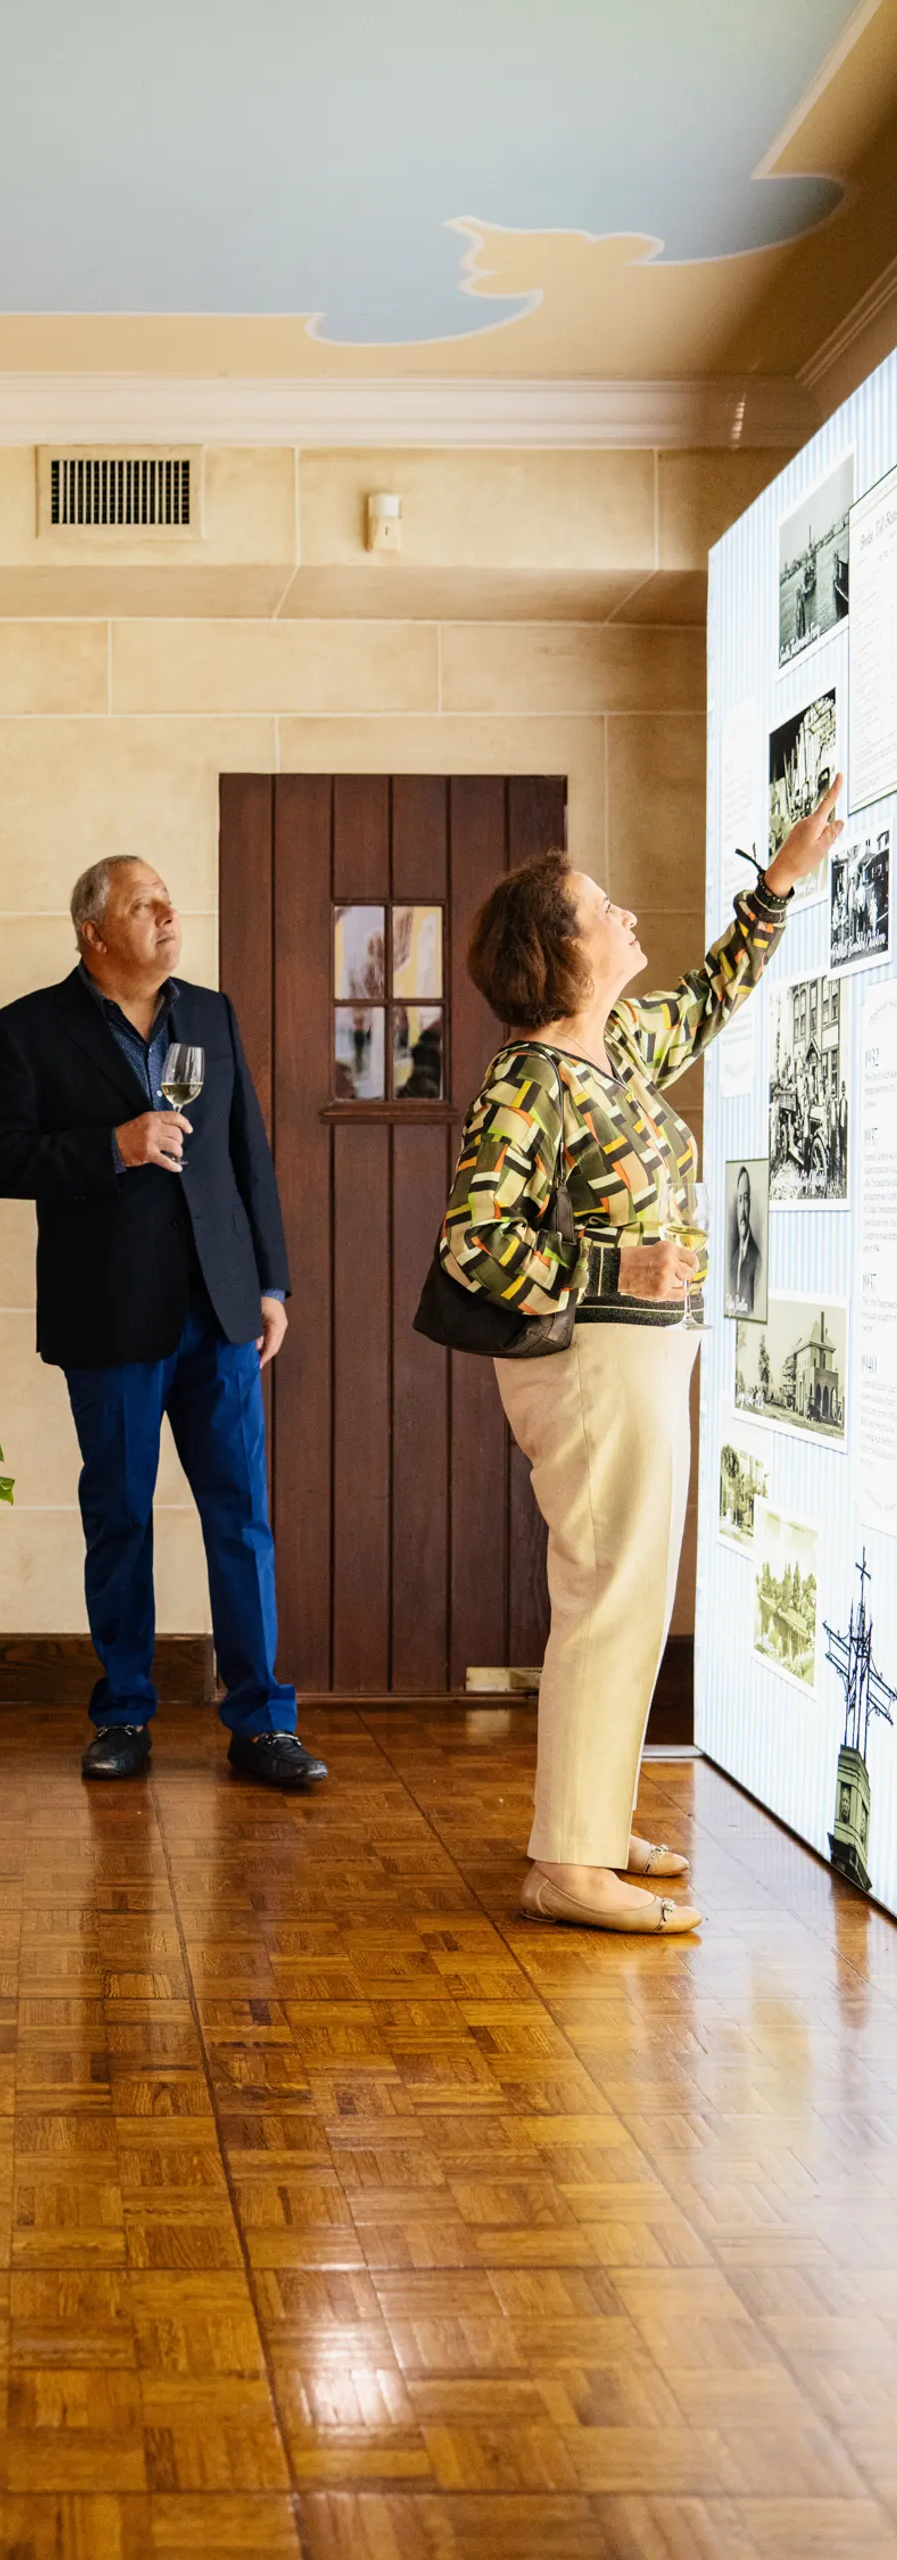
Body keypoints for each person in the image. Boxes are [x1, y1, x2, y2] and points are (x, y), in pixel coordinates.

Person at [436, 776, 844, 1934]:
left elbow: (709, 1002)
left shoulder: (611, 1049)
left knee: (626, 1594)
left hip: (641, 1362)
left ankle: (592, 1821)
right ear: (558, 951)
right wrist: (614, 1271)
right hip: (593, 1363)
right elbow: (476, 1245)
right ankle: (566, 1864)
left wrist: (778, 884)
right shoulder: (529, 1079)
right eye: (602, 907)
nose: (626, 919)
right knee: (613, 1597)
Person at [0, 856, 322, 1788]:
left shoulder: (210, 1013)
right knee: (118, 1517)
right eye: (142, 905)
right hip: (108, 1315)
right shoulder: (24, 1032)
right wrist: (110, 1149)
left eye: (166, 899)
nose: (168, 913)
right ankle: (122, 1714)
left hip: (219, 1308)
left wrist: (270, 1285)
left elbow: (249, 1158)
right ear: (93, 933)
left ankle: (261, 1722)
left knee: (240, 1518)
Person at [726, 1164, 762, 1318]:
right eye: (739, 1200)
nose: (742, 1208)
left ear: (750, 1204)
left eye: (746, 1199)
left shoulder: (757, 1260)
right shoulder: (733, 1258)